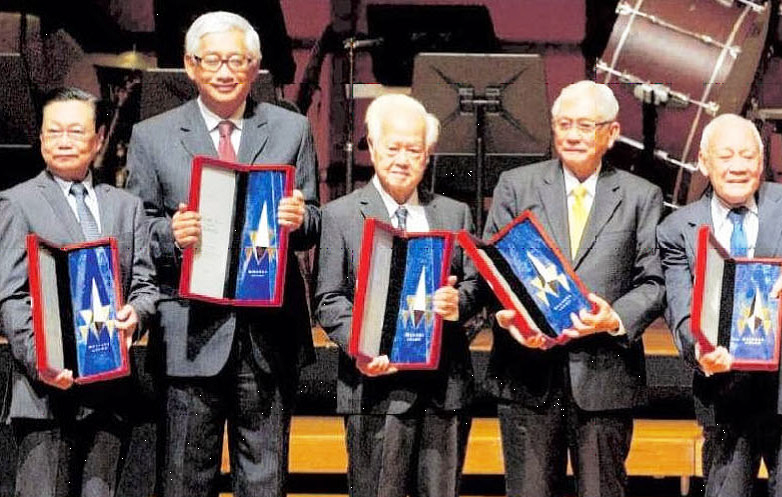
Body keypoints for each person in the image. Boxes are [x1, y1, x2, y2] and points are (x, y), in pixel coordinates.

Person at [123, 11, 320, 496]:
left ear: (255, 67)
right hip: (189, 332)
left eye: (237, 60)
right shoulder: (153, 135)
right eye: (212, 59)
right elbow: (134, 230)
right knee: (185, 481)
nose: (225, 71)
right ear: (190, 66)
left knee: (266, 479)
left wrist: (300, 219)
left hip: (269, 334)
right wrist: (170, 234)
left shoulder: (291, 129)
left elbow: (315, 218)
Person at [483, 80, 665, 497]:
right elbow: (494, 269)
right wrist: (505, 313)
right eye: (563, 123)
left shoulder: (642, 197)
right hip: (527, 377)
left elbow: (654, 282)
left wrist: (614, 318)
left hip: (605, 380)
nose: (572, 135)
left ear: (612, 133)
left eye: (585, 125)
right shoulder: (517, 185)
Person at [656, 114, 782, 497]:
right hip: (724, 390)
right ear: (704, 163)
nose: (738, 166)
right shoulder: (677, 229)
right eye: (726, 156)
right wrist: (699, 352)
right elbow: (679, 311)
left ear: (761, 161)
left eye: (748, 155)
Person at [314, 94, 483, 497]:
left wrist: (457, 302)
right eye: (393, 148)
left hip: (445, 390)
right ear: (372, 148)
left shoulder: (454, 213)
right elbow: (328, 299)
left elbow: (479, 285)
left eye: (414, 150)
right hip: (373, 387)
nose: (402, 159)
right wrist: (364, 345)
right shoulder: (339, 214)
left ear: (428, 156)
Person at [0, 87, 159, 497]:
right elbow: (11, 299)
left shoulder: (127, 207)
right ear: (40, 138)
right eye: (53, 132)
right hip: (46, 395)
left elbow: (144, 285)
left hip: (110, 394)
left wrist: (137, 315)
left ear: (100, 138)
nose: (64, 141)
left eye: (75, 131)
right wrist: (43, 361)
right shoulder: (16, 203)